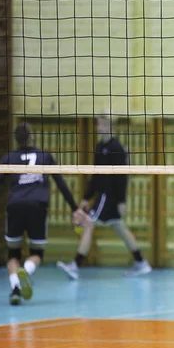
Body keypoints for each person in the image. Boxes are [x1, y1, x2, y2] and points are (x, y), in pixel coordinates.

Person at [0, 122, 85, 305]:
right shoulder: (45, 156)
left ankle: (15, 290)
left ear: (15, 139)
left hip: (15, 206)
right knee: (37, 253)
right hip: (37, 206)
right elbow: (61, 184)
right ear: (32, 136)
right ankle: (25, 272)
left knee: (13, 254)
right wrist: (75, 209)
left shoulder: (8, 158)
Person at [56, 113, 152, 279]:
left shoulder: (117, 148)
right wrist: (86, 197)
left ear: (110, 127)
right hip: (103, 195)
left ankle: (75, 265)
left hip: (110, 196)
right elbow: (96, 176)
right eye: (98, 124)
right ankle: (141, 262)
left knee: (88, 224)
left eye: (101, 124)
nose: (98, 127)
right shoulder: (100, 147)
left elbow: (123, 176)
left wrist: (122, 201)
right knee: (120, 229)